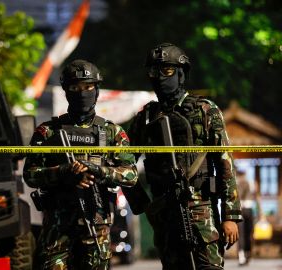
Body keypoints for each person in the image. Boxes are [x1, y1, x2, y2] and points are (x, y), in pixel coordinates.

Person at [124, 43, 242, 269]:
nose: (159, 77)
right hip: (164, 215)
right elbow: (122, 162)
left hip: (201, 213)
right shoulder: (146, 118)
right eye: (154, 71)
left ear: (180, 73)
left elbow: (225, 163)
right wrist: (142, 204)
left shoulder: (205, 111)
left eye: (166, 71)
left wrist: (230, 216)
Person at [23, 59, 138, 270]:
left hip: (96, 223)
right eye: (75, 88)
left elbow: (130, 174)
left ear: (96, 89)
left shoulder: (112, 132)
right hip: (57, 227)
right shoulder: (48, 132)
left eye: (88, 87)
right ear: (66, 91)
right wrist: (63, 172)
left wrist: (98, 170)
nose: (82, 92)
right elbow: (30, 175)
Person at [236, 169, 262, 266]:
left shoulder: (248, 183)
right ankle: (243, 256)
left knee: (247, 233)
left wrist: (261, 212)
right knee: (243, 234)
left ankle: (246, 255)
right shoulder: (245, 183)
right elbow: (257, 198)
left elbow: (257, 197)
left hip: (246, 209)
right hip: (245, 209)